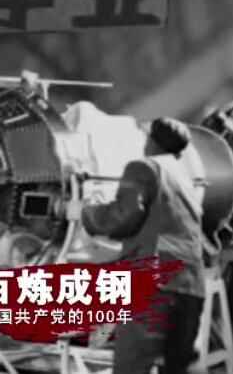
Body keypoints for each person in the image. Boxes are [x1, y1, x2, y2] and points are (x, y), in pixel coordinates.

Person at [81, 117, 207, 374]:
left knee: (132, 366)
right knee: (180, 368)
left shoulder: (144, 167)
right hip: (191, 288)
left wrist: (84, 212)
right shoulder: (186, 181)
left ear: (152, 141)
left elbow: (123, 216)